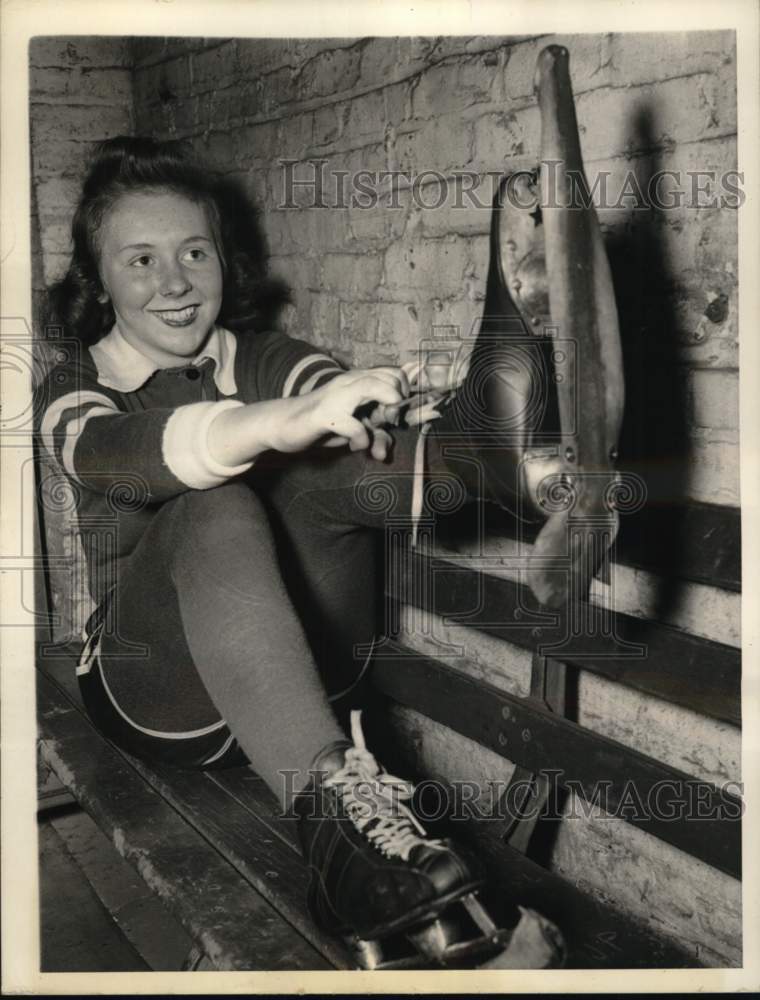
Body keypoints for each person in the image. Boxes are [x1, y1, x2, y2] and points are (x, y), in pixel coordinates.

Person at [36, 135, 564, 964]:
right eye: (140, 260)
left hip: (310, 675)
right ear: (97, 282)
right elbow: (120, 455)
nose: (174, 282)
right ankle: (333, 813)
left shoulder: (263, 355)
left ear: (224, 261)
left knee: (324, 450)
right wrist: (279, 423)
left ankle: (487, 456)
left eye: (194, 252)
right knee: (215, 498)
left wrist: (371, 407)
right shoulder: (75, 387)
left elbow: (319, 389)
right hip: (156, 695)